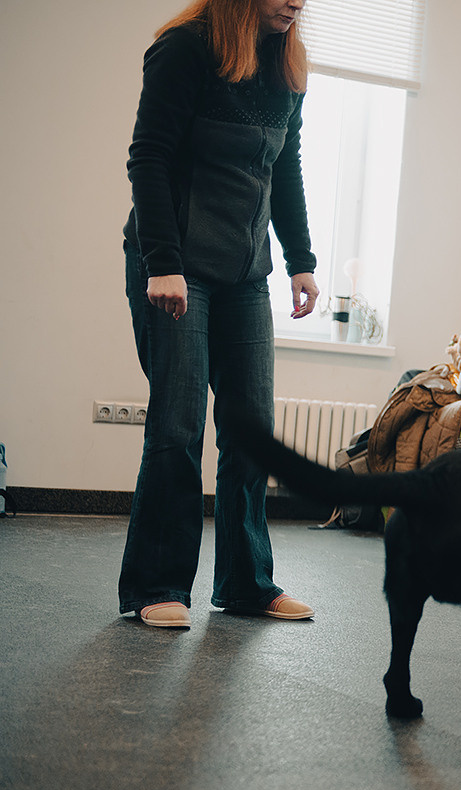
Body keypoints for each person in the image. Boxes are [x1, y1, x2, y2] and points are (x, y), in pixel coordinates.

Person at [118, 0, 319, 629]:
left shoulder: (285, 64)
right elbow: (147, 157)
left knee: (250, 428)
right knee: (178, 425)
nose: (296, 0)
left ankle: (246, 584)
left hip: (243, 272)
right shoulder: (185, 48)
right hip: (175, 263)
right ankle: (157, 586)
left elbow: (284, 164)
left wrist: (301, 259)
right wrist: (162, 262)